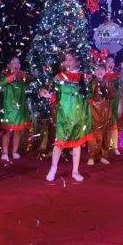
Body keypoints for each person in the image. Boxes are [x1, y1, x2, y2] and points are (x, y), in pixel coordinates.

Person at [40, 53, 93, 182]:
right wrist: (45, 93)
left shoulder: (84, 77)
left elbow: (89, 96)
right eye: (65, 60)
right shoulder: (59, 77)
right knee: (59, 143)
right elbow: (53, 93)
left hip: (78, 117)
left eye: (70, 60)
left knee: (77, 144)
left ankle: (75, 171)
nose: (67, 62)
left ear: (77, 61)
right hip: (64, 116)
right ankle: (53, 169)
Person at [0, 56, 31, 161]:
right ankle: (5, 152)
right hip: (7, 107)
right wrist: (11, 77)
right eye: (14, 62)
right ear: (8, 65)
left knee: (18, 131)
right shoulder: (3, 75)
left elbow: (30, 81)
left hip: (19, 108)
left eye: (18, 62)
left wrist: (25, 77)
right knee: (7, 130)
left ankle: (15, 151)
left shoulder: (22, 75)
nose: (17, 64)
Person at [87, 63, 115, 166]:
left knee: (106, 135)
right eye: (97, 69)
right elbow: (88, 96)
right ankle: (92, 156)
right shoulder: (91, 82)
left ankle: (104, 156)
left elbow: (112, 95)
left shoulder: (107, 82)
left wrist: (107, 90)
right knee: (95, 135)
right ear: (94, 72)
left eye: (102, 70)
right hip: (95, 112)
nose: (100, 72)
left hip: (106, 111)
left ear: (105, 71)